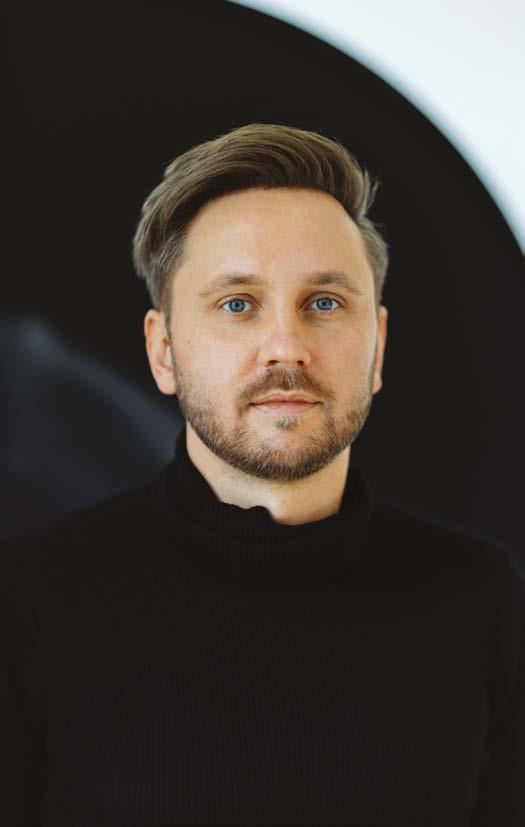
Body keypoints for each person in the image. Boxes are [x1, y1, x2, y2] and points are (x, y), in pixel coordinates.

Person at [1, 123, 523, 826]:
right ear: (163, 351)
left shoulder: (481, 602)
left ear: (377, 349)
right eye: (238, 304)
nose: (286, 346)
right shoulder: (27, 604)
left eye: (325, 303)